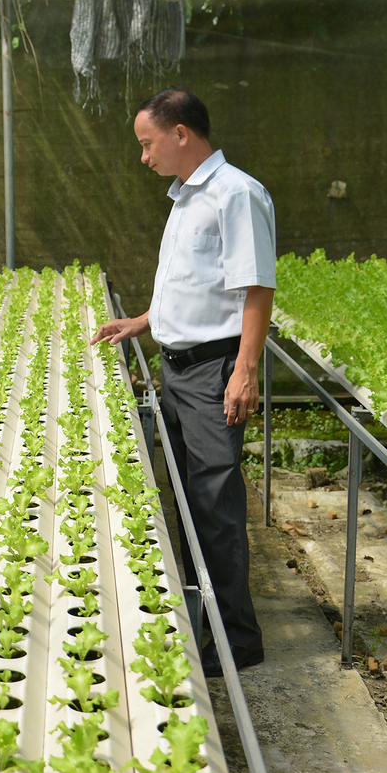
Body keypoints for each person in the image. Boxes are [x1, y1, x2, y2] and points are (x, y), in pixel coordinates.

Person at [91, 88, 274, 677]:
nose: (143, 157)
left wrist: (245, 370)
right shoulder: (186, 199)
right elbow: (194, 284)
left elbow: (254, 289)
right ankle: (203, 620)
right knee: (191, 504)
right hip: (179, 368)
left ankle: (235, 642)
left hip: (213, 372)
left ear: (180, 135)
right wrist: (144, 321)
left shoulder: (236, 195)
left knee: (215, 506)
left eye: (147, 144)